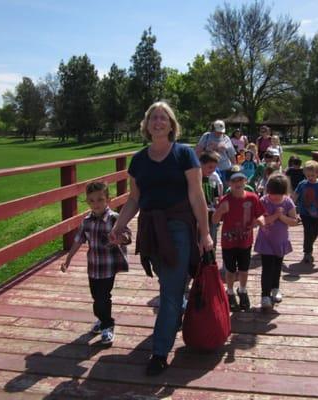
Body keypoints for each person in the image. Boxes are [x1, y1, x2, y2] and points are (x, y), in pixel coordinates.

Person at [109, 101, 213, 376]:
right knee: (171, 283)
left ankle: (159, 351)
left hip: (179, 226)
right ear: (146, 125)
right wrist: (119, 225)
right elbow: (134, 199)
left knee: (168, 288)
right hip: (151, 229)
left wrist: (205, 233)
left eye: (163, 118)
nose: (158, 122)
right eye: (153, 118)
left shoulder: (184, 154)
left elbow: (196, 195)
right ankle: (176, 310)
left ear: (171, 124)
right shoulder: (139, 159)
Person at [60, 181, 131, 345]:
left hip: (108, 267)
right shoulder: (87, 221)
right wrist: (68, 259)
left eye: (100, 199)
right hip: (93, 267)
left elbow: (127, 235)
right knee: (95, 297)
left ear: (108, 199)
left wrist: (120, 238)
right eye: (91, 201)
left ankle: (107, 326)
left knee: (103, 297)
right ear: (87, 202)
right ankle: (101, 318)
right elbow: (78, 241)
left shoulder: (114, 219)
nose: (96, 204)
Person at [212, 169, 265, 312]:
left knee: (244, 269)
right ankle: (229, 292)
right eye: (234, 181)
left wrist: (260, 222)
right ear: (229, 183)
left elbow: (261, 215)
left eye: (241, 180)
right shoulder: (225, 199)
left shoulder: (253, 198)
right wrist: (220, 211)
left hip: (245, 241)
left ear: (245, 182)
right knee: (230, 270)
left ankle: (242, 290)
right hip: (228, 242)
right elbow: (215, 220)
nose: (238, 183)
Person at [254, 173, 298, 310]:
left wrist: (282, 217)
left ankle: (275, 289)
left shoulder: (288, 202)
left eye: (278, 194)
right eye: (272, 194)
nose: (275, 197)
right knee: (267, 268)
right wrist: (276, 215)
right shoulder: (263, 201)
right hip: (266, 241)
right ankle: (265, 296)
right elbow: (260, 221)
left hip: (280, 241)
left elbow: (294, 221)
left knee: (277, 266)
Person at [196, 120, 236, 184]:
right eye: (218, 131)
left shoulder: (226, 139)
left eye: (221, 131)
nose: (220, 133)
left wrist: (234, 169)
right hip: (208, 169)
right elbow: (197, 151)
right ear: (214, 129)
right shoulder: (206, 136)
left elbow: (232, 155)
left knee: (223, 188)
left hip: (224, 169)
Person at [199, 151, 224, 245]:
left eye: (214, 167)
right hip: (200, 214)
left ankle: (211, 257)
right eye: (210, 167)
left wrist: (217, 201)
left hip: (211, 212)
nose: (213, 170)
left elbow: (215, 195)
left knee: (212, 238)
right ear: (201, 164)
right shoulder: (196, 179)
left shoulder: (211, 178)